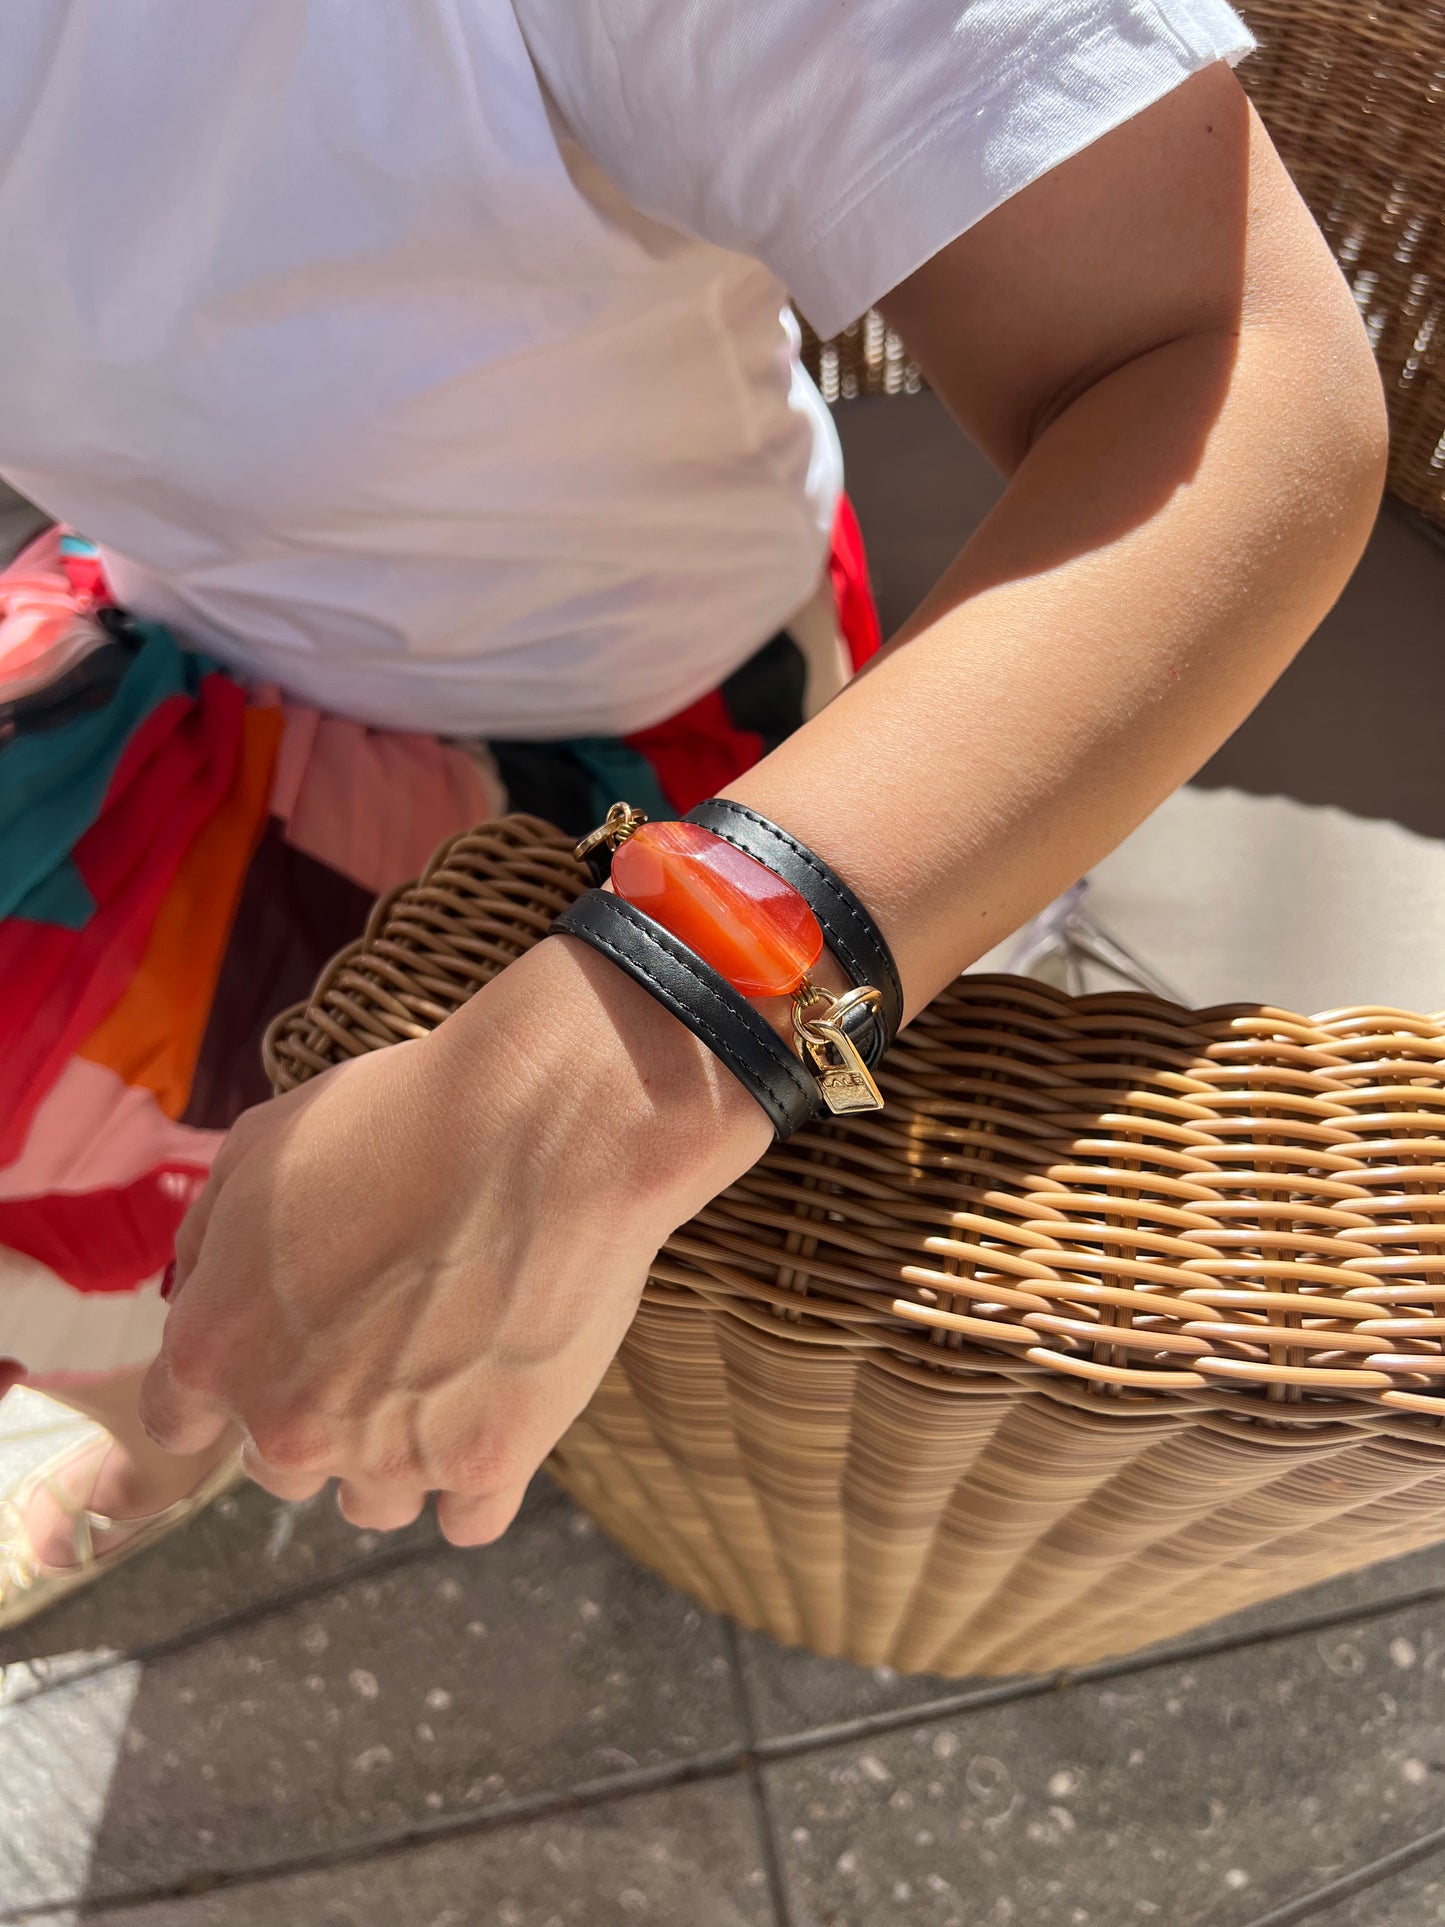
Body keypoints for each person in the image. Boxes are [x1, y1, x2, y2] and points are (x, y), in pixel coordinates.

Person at [0, 0, 1386, 1621]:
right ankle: (163, 1403)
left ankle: (170, 1403)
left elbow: (1233, 374)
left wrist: (604, 1078)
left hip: (616, 741)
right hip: (164, 620)